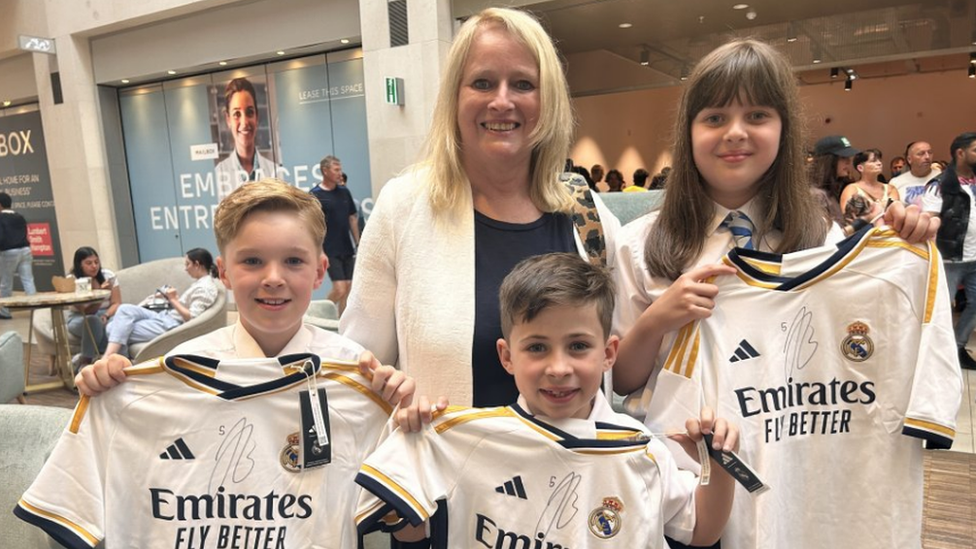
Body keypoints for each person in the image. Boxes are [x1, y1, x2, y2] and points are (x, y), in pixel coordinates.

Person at [611, 39, 940, 549]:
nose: (735, 133)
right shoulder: (642, 244)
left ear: (783, 129)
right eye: (715, 117)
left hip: (792, 460)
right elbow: (621, 379)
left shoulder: (818, 237)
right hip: (683, 482)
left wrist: (906, 241)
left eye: (758, 114)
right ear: (689, 133)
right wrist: (658, 319)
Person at [26, 179, 415, 549]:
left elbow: (413, 531)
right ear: (224, 272)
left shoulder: (358, 382)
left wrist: (403, 426)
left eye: (293, 260)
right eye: (253, 261)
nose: (274, 278)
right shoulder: (150, 389)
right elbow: (69, 514)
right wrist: (108, 397)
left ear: (319, 271)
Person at [357, 253, 738, 547]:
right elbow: (411, 533)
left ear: (609, 354)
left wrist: (718, 466)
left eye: (578, 346)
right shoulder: (467, 441)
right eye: (537, 347)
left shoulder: (639, 450)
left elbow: (701, 529)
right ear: (507, 357)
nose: (558, 368)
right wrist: (409, 436)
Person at [340, 7, 620, 408]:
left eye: (523, 84)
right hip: (444, 465)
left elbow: (616, 354)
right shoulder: (404, 207)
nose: (501, 101)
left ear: (549, 100)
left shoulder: (584, 212)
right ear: (455, 96)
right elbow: (358, 368)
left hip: (570, 468)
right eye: (483, 83)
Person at [100, 248, 220, 358]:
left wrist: (172, 299)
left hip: (171, 325)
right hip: (166, 316)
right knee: (124, 309)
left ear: (197, 264)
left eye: (188, 264)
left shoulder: (205, 288)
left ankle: (110, 358)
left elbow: (191, 317)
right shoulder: (200, 283)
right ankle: (117, 359)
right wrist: (170, 298)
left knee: (112, 328)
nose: (186, 268)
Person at [922, 132, 976, 370]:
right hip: (949, 259)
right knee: (941, 309)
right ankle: (935, 354)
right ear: (960, 153)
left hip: (975, 257)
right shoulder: (940, 184)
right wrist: (931, 257)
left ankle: (957, 346)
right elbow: (930, 220)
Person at [214, 77, 279, 200]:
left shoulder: (276, 172)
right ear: (228, 119)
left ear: (257, 116)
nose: (244, 122)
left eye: (249, 112)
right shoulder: (218, 175)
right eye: (237, 114)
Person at [310, 155, 360, 314]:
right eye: (336, 170)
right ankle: (318, 314)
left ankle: (341, 323)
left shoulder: (344, 192)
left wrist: (358, 243)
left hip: (346, 247)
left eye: (340, 169)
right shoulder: (315, 195)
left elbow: (352, 218)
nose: (340, 173)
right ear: (325, 171)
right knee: (339, 289)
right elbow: (312, 225)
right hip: (329, 249)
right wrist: (319, 250)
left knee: (349, 289)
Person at [66, 247, 122, 369]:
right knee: (93, 321)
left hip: (107, 313)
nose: (94, 266)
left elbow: (116, 303)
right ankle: (87, 360)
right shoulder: (72, 280)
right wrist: (102, 294)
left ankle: (121, 361)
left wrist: (106, 315)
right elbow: (86, 311)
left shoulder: (108, 276)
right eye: (89, 263)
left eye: (96, 262)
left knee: (118, 325)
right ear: (79, 265)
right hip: (80, 317)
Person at [838, 148, 900, 225]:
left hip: (889, 232)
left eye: (879, 160)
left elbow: (897, 215)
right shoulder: (851, 189)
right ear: (860, 168)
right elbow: (848, 219)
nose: (879, 163)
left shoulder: (890, 189)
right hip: (863, 233)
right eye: (873, 161)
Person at [0, 192, 36, 319]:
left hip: (9, 252)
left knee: (5, 282)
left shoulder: (1, 218)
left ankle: (4, 311)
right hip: (25, 250)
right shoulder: (19, 216)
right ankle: (36, 309)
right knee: (28, 280)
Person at [809, 135, 860, 224]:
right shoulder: (816, 194)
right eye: (843, 158)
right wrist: (857, 225)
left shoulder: (836, 188)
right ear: (829, 161)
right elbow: (827, 236)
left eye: (849, 158)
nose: (848, 162)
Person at [890, 141, 941, 208]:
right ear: (909, 159)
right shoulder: (896, 182)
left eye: (930, 152)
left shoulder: (943, 178)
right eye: (921, 154)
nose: (927, 157)